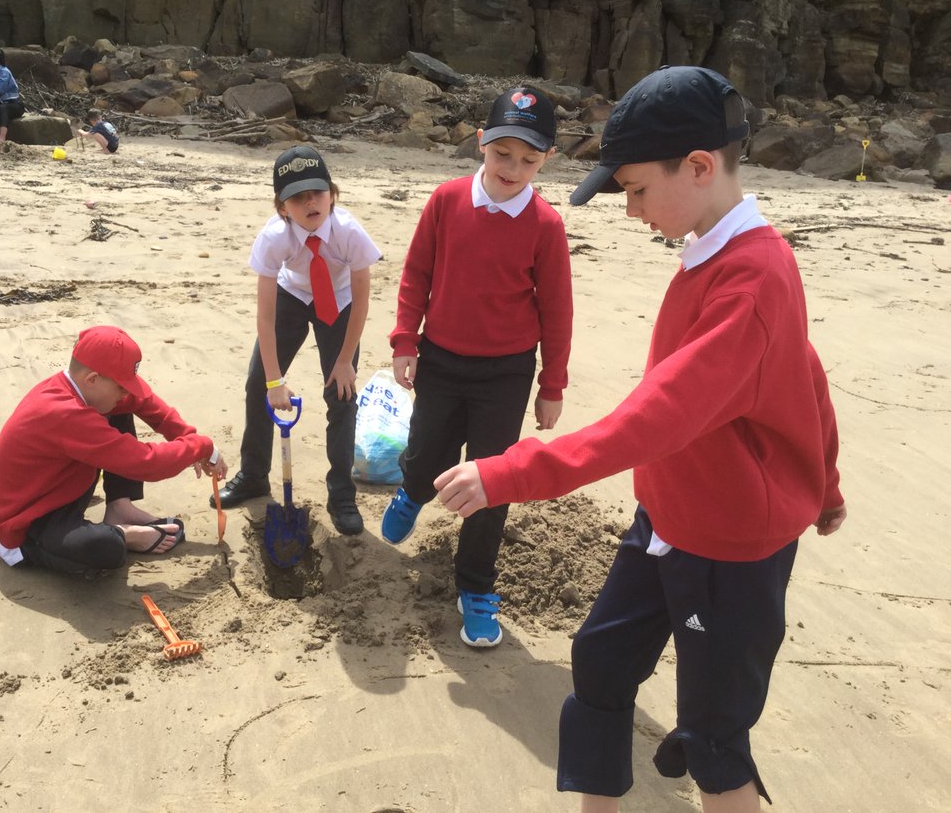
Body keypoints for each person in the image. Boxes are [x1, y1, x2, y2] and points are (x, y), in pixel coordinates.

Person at [434, 66, 847, 812]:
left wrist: (511, 471)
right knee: (600, 664)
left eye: (635, 190)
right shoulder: (713, 250)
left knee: (714, 737)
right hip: (665, 519)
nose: (630, 211)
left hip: (729, 548)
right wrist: (828, 486)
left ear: (698, 166)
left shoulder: (753, 277)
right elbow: (805, 375)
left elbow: (658, 416)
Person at [380, 85, 573, 648]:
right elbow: (417, 273)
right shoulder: (445, 201)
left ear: (547, 159)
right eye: (503, 153)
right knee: (427, 456)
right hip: (440, 358)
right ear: (482, 142)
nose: (512, 168)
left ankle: (476, 585)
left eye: (528, 160)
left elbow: (557, 310)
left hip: (506, 372)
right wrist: (404, 340)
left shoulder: (545, 226)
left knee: (491, 480)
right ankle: (412, 491)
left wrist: (552, 384)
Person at [213, 145, 381, 535]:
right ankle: (254, 474)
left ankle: (341, 493)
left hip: (339, 300)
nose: (310, 203)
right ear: (282, 207)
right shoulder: (275, 237)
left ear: (332, 195)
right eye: (298, 196)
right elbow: (265, 315)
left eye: (317, 193)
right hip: (291, 296)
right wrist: (274, 380)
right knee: (257, 383)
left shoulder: (349, 233)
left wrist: (345, 362)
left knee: (342, 394)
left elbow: (361, 302)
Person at [0, 326, 227, 576]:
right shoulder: (66, 413)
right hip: (28, 525)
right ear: (92, 379)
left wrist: (187, 435)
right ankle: (123, 532)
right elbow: (146, 462)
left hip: (59, 488)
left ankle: (119, 508)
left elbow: (144, 402)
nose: (126, 393)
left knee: (117, 408)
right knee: (107, 548)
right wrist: (201, 446)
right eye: (122, 386)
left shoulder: (81, 388)